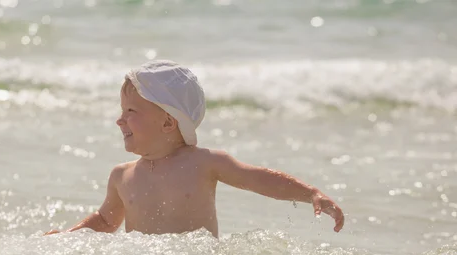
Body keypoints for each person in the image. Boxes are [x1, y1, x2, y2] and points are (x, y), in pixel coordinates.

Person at [45, 60, 344, 237]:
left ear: (167, 122)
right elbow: (107, 220)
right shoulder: (121, 176)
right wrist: (69, 238)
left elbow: (257, 178)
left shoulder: (203, 163)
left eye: (131, 112)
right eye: (122, 110)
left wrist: (310, 193)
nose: (119, 119)